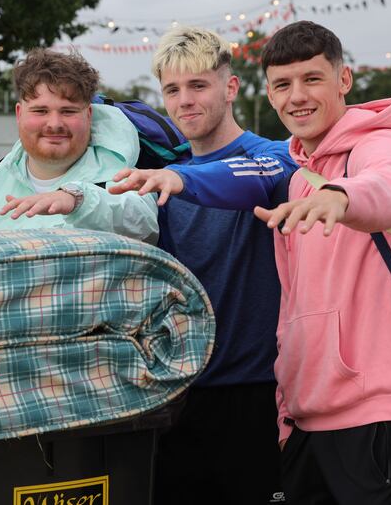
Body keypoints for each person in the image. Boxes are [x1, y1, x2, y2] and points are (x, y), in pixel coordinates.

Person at [111, 26, 297, 504]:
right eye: (173, 90)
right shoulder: (161, 181)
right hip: (179, 394)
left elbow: (252, 179)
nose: (185, 101)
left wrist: (179, 178)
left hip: (260, 392)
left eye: (198, 85)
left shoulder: (275, 157)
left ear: (230, 87)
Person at [253, 21, 391, 504]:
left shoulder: (380, 144)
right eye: (282, 84)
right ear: (269, 95)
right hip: (307, 422)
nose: (297, 96)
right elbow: (291, 308)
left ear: (344, 80)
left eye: (312, 78)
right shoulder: (298, 182)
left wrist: (341, 196)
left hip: (388, 415)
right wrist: (286, 412)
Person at [0, 48, 159, 244]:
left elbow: (145, 225)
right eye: (40, 111)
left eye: (68, 111)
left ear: (89, 115)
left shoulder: (124, 177)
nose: (54, 124)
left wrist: (79, 200)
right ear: (19, 114)